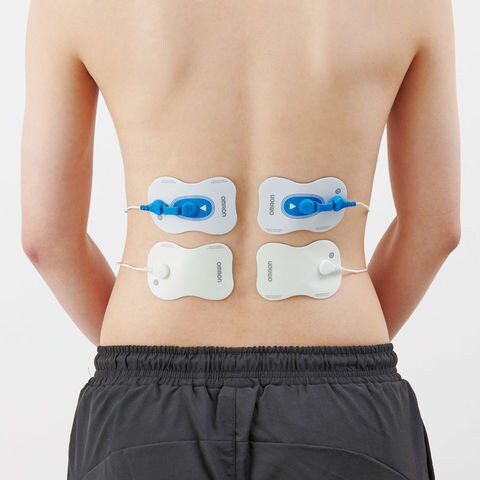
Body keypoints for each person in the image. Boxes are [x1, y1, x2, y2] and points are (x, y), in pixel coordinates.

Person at [21, 1, 460, 479]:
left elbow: (47, 238)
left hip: (143, 414)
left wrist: (134, 359)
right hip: (345, 414)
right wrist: (343, 355)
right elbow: (435, 228)